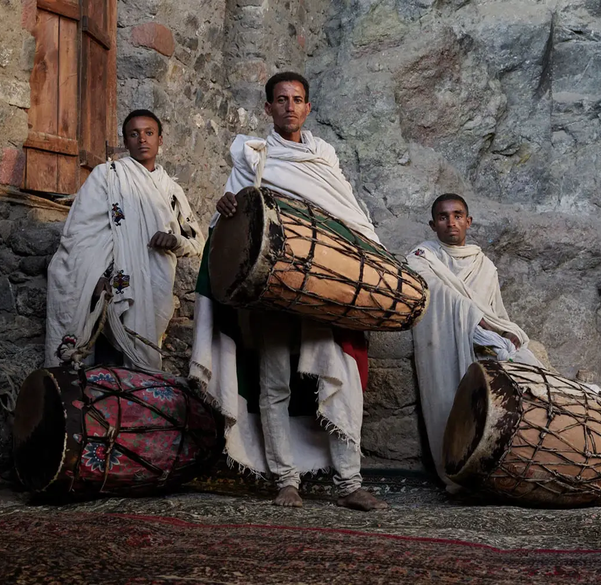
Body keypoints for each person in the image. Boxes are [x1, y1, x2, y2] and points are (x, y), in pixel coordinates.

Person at [190, 72, 387, 511]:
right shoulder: (252, 156)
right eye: (281, 100)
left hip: (323, 288)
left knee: (339, 380)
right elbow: (233, 228)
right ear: (268, 108)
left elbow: (349, 220)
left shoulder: (324, 161)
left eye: (297, 99)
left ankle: (348, 482)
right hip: (272, 291)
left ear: (309, 108)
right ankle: (285, 479)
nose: (289, 106)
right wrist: (227, 209)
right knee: (274, 382)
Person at [45, 109, 203, 371]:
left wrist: (173, 241)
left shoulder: (172, 191)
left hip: (154, 285)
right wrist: (93, 278)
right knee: (105, 368)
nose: (142, 139)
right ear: (125, 141)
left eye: (149, 133)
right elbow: (80, 233)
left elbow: (196, 243)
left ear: (160, 140)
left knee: (143, 362)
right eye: (134, 134)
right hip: (111, 288)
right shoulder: (107, 176)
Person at [407, 193, 543, 490]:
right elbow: (435, 294)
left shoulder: (484, 265)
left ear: (469, 221)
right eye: (443, 217)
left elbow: (497, 313)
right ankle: (461, 468)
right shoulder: (421, 257)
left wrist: (500, 329)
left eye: (457, 215)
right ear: (433, 224)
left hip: (485, 337)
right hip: (449, 340)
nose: (451, 222)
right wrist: (473, 317)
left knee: (525, 363)